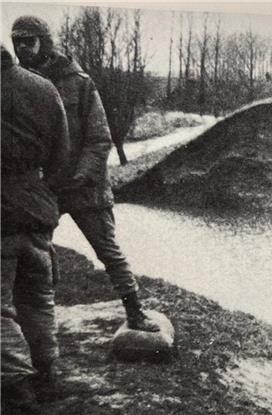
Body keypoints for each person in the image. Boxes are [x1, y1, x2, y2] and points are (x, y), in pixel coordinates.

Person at [11, 15, 159, 332]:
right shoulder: (18, 84)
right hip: (44, 188)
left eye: (29, 40)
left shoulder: (78, 82)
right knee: (38, 254)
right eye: (17, 41)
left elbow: (99, 138)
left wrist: (80, 175)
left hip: (85, 188)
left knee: (108, 251)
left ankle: (135, 312)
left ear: (44, 41)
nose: (23, 47)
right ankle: (42, 322)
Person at [1, 43, 70, 412]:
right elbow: (62, 153)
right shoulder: (43, 87)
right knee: (38, 297)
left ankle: (16, 389)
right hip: (38, 209)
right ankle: (46, 374)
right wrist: (40, 190)